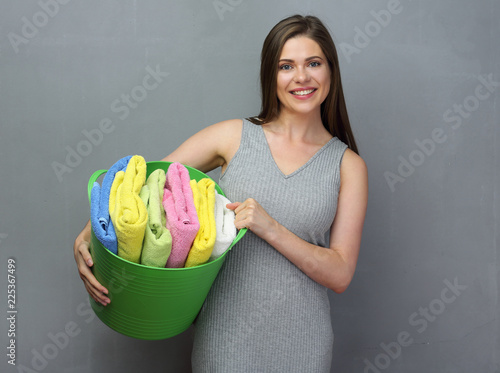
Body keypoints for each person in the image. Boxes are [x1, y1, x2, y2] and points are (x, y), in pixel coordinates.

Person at [74, 14, 368, 372]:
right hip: (225, 340)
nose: (301, 77)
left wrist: (269, 227)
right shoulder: (232, 137)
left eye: (314, 63)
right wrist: (88, 236)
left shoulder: (347, 165)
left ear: (330, 71)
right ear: (270, 76)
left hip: (304, 345)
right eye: (286, 66)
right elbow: (141, 185)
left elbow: (340, 274)